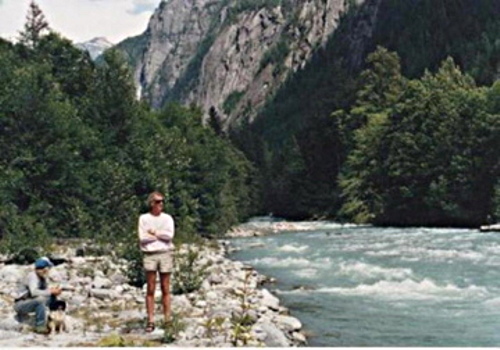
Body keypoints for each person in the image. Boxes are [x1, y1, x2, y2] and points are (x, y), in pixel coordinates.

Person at [138, 191, 175, 333]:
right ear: (151, 203)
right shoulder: (144, 218)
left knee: (166, 288)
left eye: (162, 201)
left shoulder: (167, 218)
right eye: (158, 201)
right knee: (150, 289)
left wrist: (154, 234)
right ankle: (150, 320)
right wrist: (159, 236)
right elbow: (142, 238)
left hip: (165, 253)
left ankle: (167, 319)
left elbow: (169, 236)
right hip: (150, 254)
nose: (161, 204)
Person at [13, 257, 62, 334]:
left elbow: (44, 291)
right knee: (40, 300)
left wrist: (54, 291)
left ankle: (53, 319)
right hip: (21, 304)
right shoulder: (32, 277)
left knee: (52, 298)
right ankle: (40, 326)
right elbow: (34, 292)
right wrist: (50, 291)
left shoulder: (42, 278)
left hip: (31, 301)